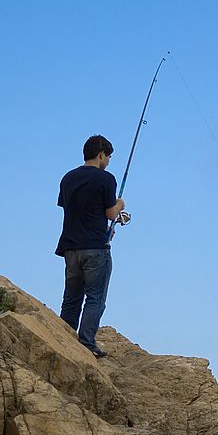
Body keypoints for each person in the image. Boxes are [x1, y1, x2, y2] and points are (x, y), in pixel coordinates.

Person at [55, 134, 125, 357]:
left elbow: (72, 209)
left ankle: (62, 340)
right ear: (101, 154)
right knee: (95, 298)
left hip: (71, 248)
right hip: (95, 248)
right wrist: (120, 204)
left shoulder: (68, 178)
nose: (108, 161)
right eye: (109, 157)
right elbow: (110, 212)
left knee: (71, 298)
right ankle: (86, 343)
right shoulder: (106, 179)